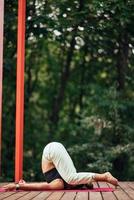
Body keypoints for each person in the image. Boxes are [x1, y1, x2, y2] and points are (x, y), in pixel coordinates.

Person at [2, 142, 118, 191]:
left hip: (52, 151)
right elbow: (80, 180)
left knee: (71, 177)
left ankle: (105, 176)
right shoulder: (65, 179)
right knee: (72, 177)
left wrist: (18, 186)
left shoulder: (58, 184)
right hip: (54, 150)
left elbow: (40, 186)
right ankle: (104, 176)